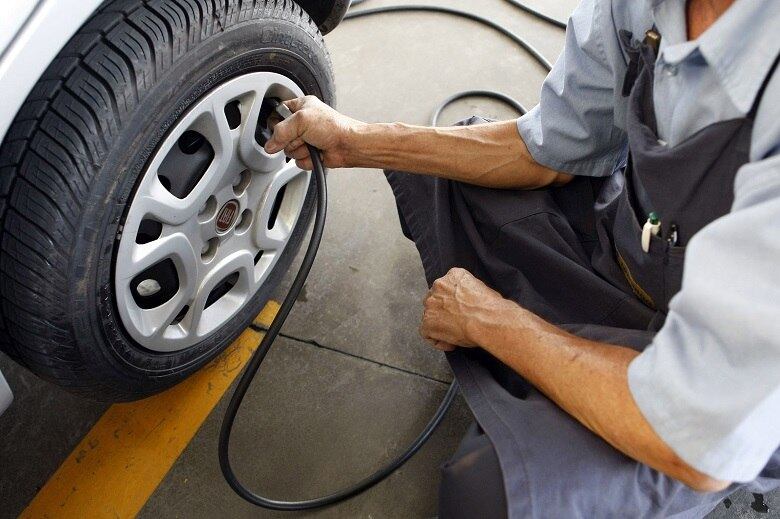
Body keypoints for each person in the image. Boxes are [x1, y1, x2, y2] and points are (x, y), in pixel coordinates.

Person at [264, 0, 780, 516]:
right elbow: (544, 152)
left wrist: (492, 322)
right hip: (630, 255)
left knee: (489, 495)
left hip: (718, 393)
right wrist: (355, 141)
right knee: (445, 172)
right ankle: (554, 389)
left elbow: (696, 439)